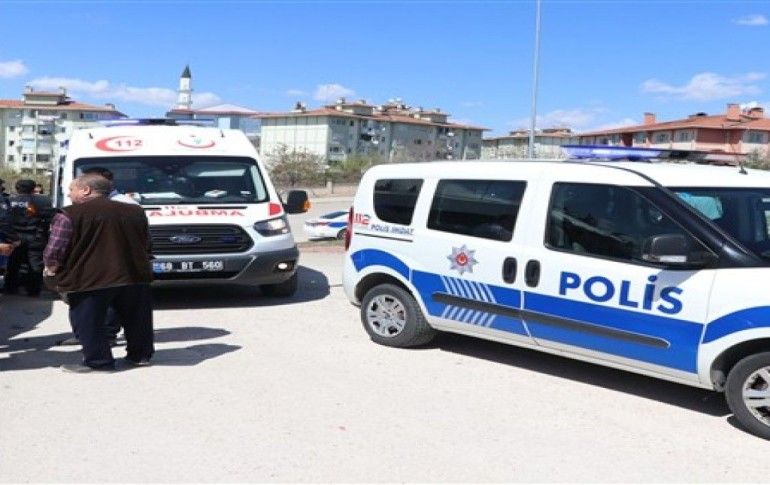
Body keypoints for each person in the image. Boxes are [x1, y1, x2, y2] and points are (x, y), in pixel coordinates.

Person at [43, 173, 154, 372]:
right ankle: (140, 356)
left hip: (88, 278)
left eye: (71, 189)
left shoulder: (69, 214)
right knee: (137, 319)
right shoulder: (135, 211)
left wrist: (51, 270)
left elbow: (55, 249)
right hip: (133, 274)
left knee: (88, 321)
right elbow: (146, 242)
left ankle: (99, 362)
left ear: (86, 190)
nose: (68, 195)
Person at [56, 167, 139, 346]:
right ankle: (85, 337)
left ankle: (104, 339)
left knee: (107, 305)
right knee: (85, 306)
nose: (69, 194)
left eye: (73, 189)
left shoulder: (126, 205)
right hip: (88, 266)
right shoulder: (77, 209)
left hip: (112, 266)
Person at [4, 179, 54, 296]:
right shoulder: (43, 201)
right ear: (33, 188)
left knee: (13, 263)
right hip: (36, 236)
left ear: (17, 188)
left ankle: (10, 288)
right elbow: (50, 218)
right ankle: (33, 290)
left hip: (14, 237)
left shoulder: (8, 201)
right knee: (35, 264)